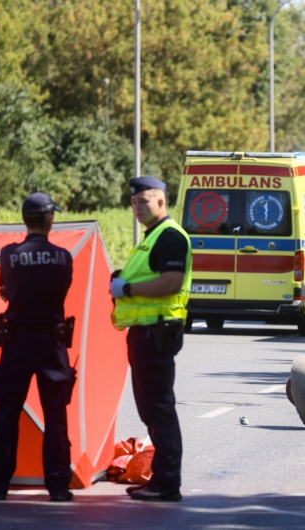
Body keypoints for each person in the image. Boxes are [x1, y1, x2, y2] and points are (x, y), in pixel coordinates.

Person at [0, 193, 75, 502]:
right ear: (49, 220)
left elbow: (5, 291)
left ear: (25, 220)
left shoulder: (9, 254)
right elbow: (60, 291)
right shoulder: (63, 256)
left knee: (7, 413)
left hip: (16, 342)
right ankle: (59, 488)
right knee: (56, 416)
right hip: (52, 342)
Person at [110, 176, 192, 502]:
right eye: (133, 203)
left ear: (160, 200)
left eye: (143, 201)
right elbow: (150, 275)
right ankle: (160, 479)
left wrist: (127, 288)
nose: (137, 208)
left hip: (157, 332)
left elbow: (171, 282)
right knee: (151, 411)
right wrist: (123, 279)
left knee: (159, 410)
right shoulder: (152, 237)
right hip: (146, 332)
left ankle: (167, 484)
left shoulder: (169, 236)